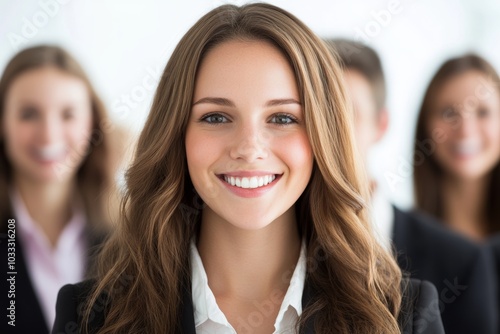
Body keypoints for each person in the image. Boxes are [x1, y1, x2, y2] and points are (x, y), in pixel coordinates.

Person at [52, 4, 444, 333]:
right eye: (217, 117)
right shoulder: (91, 317)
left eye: (283, 118)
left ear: (323, 137)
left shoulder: (402, 317)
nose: (249, 148)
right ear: (176, 135)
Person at [326, 39, 498, 334]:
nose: (325, 129)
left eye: (346, 114)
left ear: (381, 124)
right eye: (448, 113)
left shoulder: (463, 260)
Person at [0, 45, 123, 334]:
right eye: (29, 114)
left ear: (92, 123)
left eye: (68, 114)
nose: (49, 134)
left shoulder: (128, 239)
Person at [413, 54, 500, 241]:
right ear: (426, 126)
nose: (465, 130)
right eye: (449, 113)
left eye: (483, 112)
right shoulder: (399, 240)